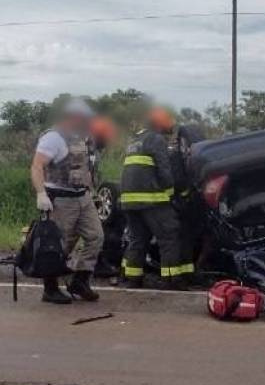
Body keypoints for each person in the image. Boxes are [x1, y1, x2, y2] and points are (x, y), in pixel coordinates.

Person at [30, 98, 103, 304]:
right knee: (57, 245)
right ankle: (50, 288)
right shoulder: (53, 138)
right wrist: (41, 193)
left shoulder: (83, 137)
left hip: (83, 197)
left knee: (95, 237)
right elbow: (37, 166)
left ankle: (80, 280)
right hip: (61, 200)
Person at [120, 107, 192, 290]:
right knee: (169, 236)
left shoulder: (133, 141)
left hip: (129, 202)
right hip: (152, 200)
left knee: (138, 239)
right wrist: (171, 196)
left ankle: (132, 278)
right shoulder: (156, 140)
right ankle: (171, 279)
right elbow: (164, 171)